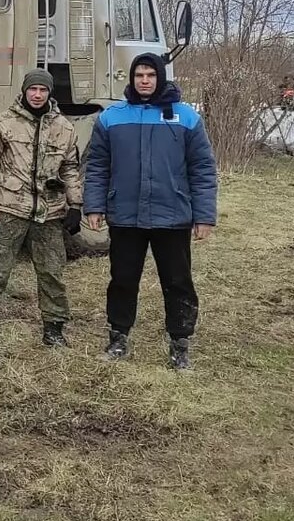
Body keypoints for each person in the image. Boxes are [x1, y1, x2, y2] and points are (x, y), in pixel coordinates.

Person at [84, 52, 217, 370]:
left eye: (150, 75)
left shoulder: (185, 117)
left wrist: (204, 215)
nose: (144, 80)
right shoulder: (111, 117)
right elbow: (97, 166)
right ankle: (118, 336)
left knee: (178, 281)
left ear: (161, 78)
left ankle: (180, 342)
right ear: (131, 79)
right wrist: (94, 204)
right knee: (122, 279)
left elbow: (203, 168)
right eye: (139, 75)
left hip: (172, 216)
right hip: (125, 216)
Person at [0, 70, 82, 350]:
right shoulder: (2, 123)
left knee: (52, 273)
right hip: (8, 208)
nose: (38, 94)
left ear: (49, 93)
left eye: (43, 89)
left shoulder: (64, 128)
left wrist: (76, 203)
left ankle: (53, 328)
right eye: (33, 89)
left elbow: (70, 167)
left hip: (49, 211)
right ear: (25, 90)